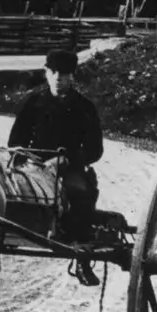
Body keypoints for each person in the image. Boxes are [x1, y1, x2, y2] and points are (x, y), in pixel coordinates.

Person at [8, 48, 104, 286]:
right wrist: (25, 155)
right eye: (53, 73)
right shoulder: (33, 102)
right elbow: (15, 141)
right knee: (7, 188)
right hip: (34, 164)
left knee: (80, 193)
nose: (58, 79)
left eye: (64, 74)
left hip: (68, 167)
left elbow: (94, 149)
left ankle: (81, 257)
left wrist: (69, 159)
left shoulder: (84, 107)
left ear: (73, 76)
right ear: (46, 73)